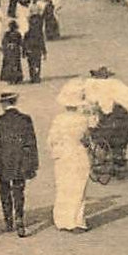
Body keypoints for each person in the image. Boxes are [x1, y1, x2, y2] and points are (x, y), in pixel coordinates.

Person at [0, 92, 38, 237]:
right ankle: (20, 218)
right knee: (19, 190)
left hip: (4, 161)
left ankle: (8, 220)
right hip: (20, 160)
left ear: (3, 104)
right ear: (15, 102)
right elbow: (31, 142)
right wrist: (32, 163)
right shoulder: (26, 119)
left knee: (4, 189)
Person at [47, 98, 95, 232]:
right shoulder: (82, 119)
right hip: (77, 153)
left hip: (62, 155)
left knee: (63, 186)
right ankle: (76, 221)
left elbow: (51, 139)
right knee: (78, 188)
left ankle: (62, 220)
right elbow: (86, 139)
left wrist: (56, 149)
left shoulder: (58, 119)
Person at [23, 14, 47, 84]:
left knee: (32, 65)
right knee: (36, 64)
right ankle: (36, 76)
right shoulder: (39, 34)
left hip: (31, 51)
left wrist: (24, 52)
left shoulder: (27, 33)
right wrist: (44, 52)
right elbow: (42, 43)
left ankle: (34, 77)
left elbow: (24, 43)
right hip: (36, 51)